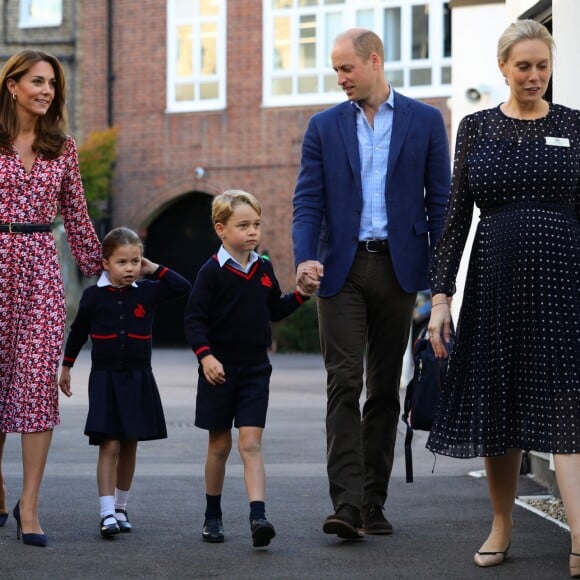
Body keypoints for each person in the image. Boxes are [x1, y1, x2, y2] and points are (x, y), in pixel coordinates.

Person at [426, 20, 579, 576]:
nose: (535, 75)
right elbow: (454, 221)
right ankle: (502, 524)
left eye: (542, 65)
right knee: (501, 402)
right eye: (524, 66)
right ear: (503, 68)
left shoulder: (574, 126)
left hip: (566, 283)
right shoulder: (476, 128)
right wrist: (440, 298)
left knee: (568, 402)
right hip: (496, 282)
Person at [292, 28, 451, 539]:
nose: (339, 79)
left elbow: (442, 203)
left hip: (400, 270)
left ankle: (373, 503)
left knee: (384, 388)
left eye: (346, 68)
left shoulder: (426, 121)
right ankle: (345, 503)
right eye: (335, 71)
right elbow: (307, 202)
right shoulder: (323, 126)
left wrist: (439, 282)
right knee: (344, 384)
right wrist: (304, 259)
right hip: (341, 270)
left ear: (374, 61)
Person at [0, 49, 103, 546]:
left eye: (53, 84)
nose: (46, 90)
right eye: (37, 81)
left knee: (37, 387)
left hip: (41, 268)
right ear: (12, 85)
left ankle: (31, 507)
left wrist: (111, 271)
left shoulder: (63, 147)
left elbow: (78, 216)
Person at [184, 190, 309, 547]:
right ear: (221, 229)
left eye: (256, 224)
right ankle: (213, 516)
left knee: (251, 444)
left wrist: (301, 294)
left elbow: (275, 310)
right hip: (218, 371)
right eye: (243, 225)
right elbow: (194, 320)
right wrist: (206, 357)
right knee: (220, 446)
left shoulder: (264, 267)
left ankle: (258, 517)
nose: (253, 231)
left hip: (256, 370)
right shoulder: (210, 272)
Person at [58, 227, 191, 538]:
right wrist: (66, 368)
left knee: (130, 442)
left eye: (135, 261)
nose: (130, 268)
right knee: (110, 443)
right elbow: (77, 333)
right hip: (105, 379)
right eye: (122, 262)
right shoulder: (94, 296)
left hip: (138, 377)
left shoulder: (147, 290)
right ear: (105, 263)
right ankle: (106, 512)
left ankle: (120, 507)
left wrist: (153, 268)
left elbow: (182, 286)